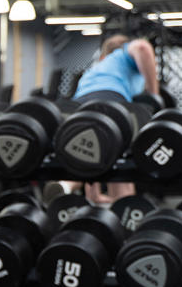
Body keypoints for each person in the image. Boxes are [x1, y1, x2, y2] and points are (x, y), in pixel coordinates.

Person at [64, 34, 160, 203]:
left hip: (76, 108)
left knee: (85, 151)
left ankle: (65, 186)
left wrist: (95, 197)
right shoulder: (121, 55)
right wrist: (154, 94)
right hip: (110, 101)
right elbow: (142, 47)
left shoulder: (94, 71)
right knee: (121, 156)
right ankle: (123, 210)